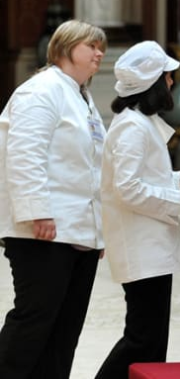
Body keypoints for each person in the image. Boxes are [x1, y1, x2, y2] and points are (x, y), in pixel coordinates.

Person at [0, 19, 107, 378]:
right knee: (34, 323)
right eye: (91, 45)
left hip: (77, 232)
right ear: (64, 49)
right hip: (43, 232)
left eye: (101, 47)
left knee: (64, 331)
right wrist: (38, 212)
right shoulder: (41, 91)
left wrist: (97, 229)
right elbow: (25, 155)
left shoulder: (83, 98)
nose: (99, 53)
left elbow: (91, 169)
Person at [95, 41, 180, 378]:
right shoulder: (131, 127)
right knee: (143, 340)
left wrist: (178, 180)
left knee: (153, 342)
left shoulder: (139, 122)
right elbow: (128, 188)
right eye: (167, 77)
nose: (172, 82)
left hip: (150, 247)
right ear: (153, 83)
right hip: (141, 248)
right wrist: (179, 201)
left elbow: (147, 177)